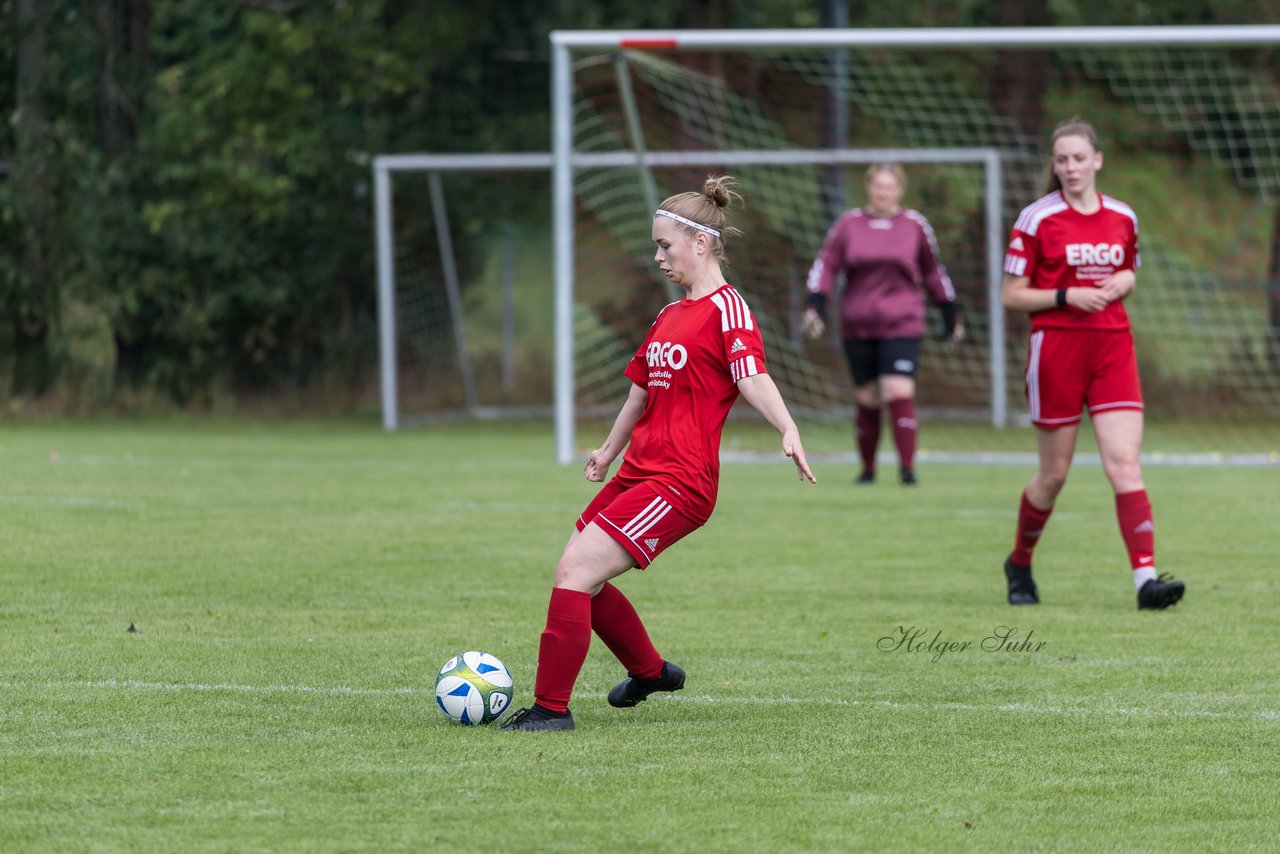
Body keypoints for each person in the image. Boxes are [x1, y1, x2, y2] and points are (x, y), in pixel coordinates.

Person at [502, 176, 817, 732]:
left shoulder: (729, 310)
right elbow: (639, 393)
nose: (657, 256)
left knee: (574, 572)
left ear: (700, 243)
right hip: (636, 473)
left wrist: (786, 427)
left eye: (664, 245)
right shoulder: (669, 317)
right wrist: (606, 450)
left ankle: (551, 711)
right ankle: (650, 673)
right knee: (584, 579)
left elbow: (752, 377)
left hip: (680, 483)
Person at [1000, 117, 1186, 611]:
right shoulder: (1037, 218)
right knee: (1054, 474)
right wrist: (1066, 294)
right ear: (1054, 165)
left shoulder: (1123, 216)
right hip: (1056, 350)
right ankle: (1020, 562)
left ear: (1097, 160)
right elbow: (1011, 295)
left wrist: (1125, 282)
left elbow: (1127, 271)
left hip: (1112, 348)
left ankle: (1146, 581)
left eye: (1079, 158)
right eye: (1061, 160)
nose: (1070, 167)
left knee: (1124, 462)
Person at [803, 163, 963, 486]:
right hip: (858, 324)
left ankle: (907, 469)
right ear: (868, 188)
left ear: (899, 190)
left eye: (890, 187)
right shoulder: (848, 224)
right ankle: (868, 470)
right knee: (868, 397)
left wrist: (949, 311)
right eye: (878, 186)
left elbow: (933, 271)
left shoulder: (914, 225)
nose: (883, 192)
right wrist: (815, 305)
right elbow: (826, 266)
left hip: (902, 322)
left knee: (897, 389)